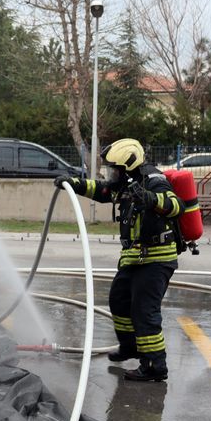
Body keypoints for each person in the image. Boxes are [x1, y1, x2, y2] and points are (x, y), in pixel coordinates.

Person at [55, 138, 183, 382]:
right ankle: (130, 347)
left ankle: (155, 364)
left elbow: (177, 205)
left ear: (128, 166)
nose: (111, 173)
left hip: (156, 258)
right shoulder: (125, 183)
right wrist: (73, 183)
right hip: (134, 258)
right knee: (119, 300)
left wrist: (150, 199)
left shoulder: (155, 181)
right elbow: (102, 191)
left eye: (115, 168)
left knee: (144, 311)